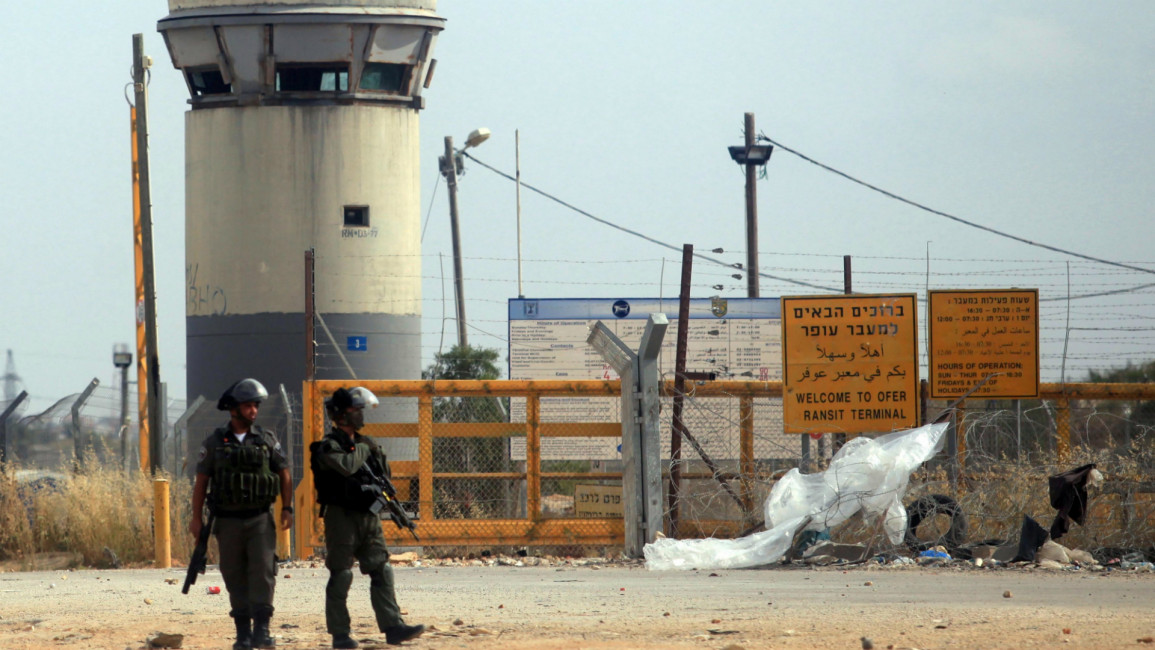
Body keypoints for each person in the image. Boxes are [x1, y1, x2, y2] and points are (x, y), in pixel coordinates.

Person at [310, 387, 424, 649]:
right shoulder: (328, 446)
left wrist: (375, 451)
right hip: (341, 518)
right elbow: (347, 466)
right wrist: (365, 446)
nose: (361, 414)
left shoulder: (366, 444)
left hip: (368, 516)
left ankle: (393, 627)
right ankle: (340, 635)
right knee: (341, 574)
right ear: (341, 415)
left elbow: (385, 475)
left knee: (381, 569)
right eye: (356, 410)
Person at [190, 379, 293, 650]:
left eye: (256, 406)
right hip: (228, 521)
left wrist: (287, 507)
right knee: (233, 574)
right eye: (248, 406)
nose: (254, 411)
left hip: (260, 518)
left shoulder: (266, 439)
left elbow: (284, 473)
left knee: (263, 572)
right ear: (234, 409)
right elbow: (201, 482)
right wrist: (195, 518)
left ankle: (262, 630)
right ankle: (242, 633)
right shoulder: (215, 443)